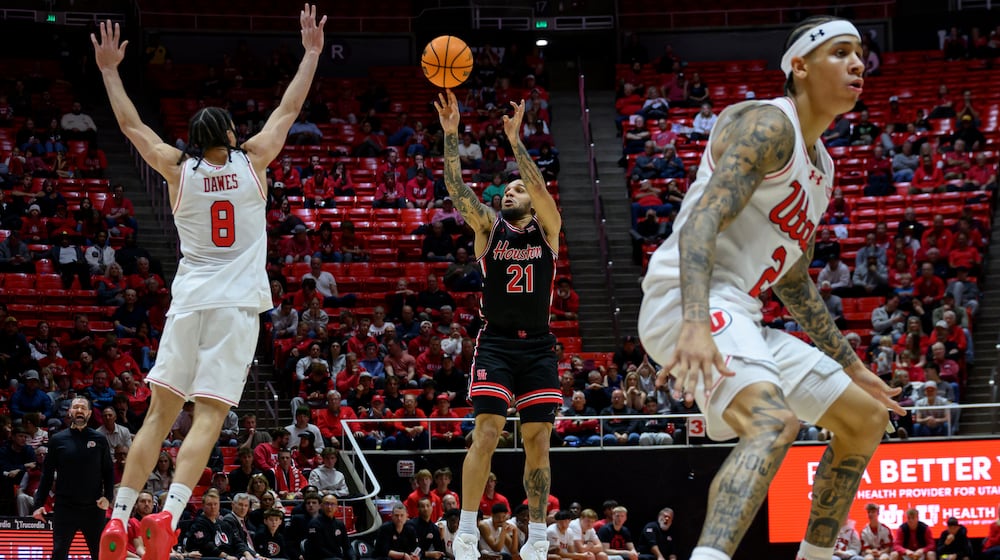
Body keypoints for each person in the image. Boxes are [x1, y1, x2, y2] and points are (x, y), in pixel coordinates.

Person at [636, 17, 903, 560]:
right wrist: (692, 321)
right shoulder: (767, 125)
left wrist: (850, 364)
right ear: (799, 66)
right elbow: (703, 219)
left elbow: (794, 277)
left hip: (742, 312)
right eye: (841, 52)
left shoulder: (821, 167)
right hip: (688, 296)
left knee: (864, 418)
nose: (859, 64)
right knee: (771, 423)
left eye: (861, 54)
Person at [93, 7, 328, 560]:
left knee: (158, 414)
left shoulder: (179, 169)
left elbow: (132, 128)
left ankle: (121, 517)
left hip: (188, 304)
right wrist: (312, 52)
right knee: (210, 415)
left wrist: (109, 71)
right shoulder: (254, 161)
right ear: (227, 133)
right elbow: (289, 107)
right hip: (235, 308)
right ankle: (169, 517)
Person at [435, 90, 562, 560]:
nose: (509, 190)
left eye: (517, 188)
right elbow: (457, 191)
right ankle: (467, 530)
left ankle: (540, 535)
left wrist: (515, 142)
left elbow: (542, 191)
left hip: (539, 348)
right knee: (486, 430)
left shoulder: (548, 229)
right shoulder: (489, 229)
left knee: (537, 439)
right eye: (506, 189)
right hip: (497, 345)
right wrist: (452, 136)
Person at [32, 397, 115, 560]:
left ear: (89, 413)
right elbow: (47, 474)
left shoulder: (99, 439)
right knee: (59, 553)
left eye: (83, 408)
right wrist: (38, 504)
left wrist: (108, 497)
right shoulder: (57, 440)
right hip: (65, 507)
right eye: (75, 407)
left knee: (100, 554)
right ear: (69, 412)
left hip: (94, 507)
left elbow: (108, 471)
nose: (79, 410)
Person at [306, 493, 357, 560]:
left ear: (337, 507)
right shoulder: (314, 524)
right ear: (321, 506)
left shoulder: (339, 524)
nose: (329, 507)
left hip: (337, 557)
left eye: (332, 504)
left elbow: (347, 546)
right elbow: (318, 549)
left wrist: (353, 557)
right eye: (327, 504)